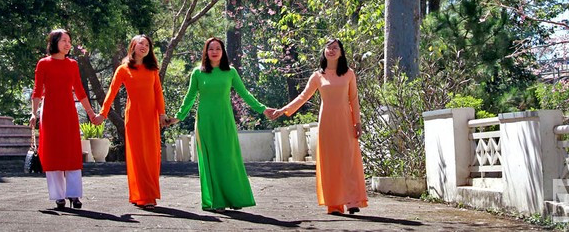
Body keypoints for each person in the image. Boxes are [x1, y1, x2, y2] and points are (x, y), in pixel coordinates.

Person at [168, 37, 275, 211]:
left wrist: (263, 109)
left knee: (228, 159)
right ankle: (217, 201)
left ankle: (235, 198)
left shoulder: (230, 72)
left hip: (225, 121)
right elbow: (190, 98)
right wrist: (178, 117)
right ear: (206, 52)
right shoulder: (198, 73)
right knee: (211, 161)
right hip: (205, 122)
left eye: (218, 48)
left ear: (223, 51)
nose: (215, 51)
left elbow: (245, 94)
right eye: (211, 49)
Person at [272, 39, 368, 215]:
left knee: (348, 161)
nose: (331, 50)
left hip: (346, 122)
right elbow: (303, 97)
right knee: (330, 163)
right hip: (327, 123)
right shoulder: (318, 76)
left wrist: (357, 122)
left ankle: (352, 201)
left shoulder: (349, 73)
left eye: (335, 48)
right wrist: (284, 110)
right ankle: (334, 204)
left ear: (341, 52)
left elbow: (353, 99)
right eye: (328, 47)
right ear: (324, 52)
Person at [30, 28, 99, 210]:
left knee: (71, 152)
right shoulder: (43, 64)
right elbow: (37, 91)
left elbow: (80, 91)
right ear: (54, 43)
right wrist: (33, 113)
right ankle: (58, 196)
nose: (68, 44)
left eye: (69, 41)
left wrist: (91, 113)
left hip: (68, 113)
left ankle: (74, 195)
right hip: (50, 113)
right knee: (53, 153)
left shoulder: (72, 65)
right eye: (64, 41)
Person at [97, 34, 170, 209]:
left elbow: (158, 93)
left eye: (147, 45)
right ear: (133, 47)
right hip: (134, 117)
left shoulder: (153, 70)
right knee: (138, 157)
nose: (144, 47)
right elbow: (111, 92)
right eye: (140, 44)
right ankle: (143, 196)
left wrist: (162, 114)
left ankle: (148, 194)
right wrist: (102, 114)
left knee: (152, 156)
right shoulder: (123, 69)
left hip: (151, 117)